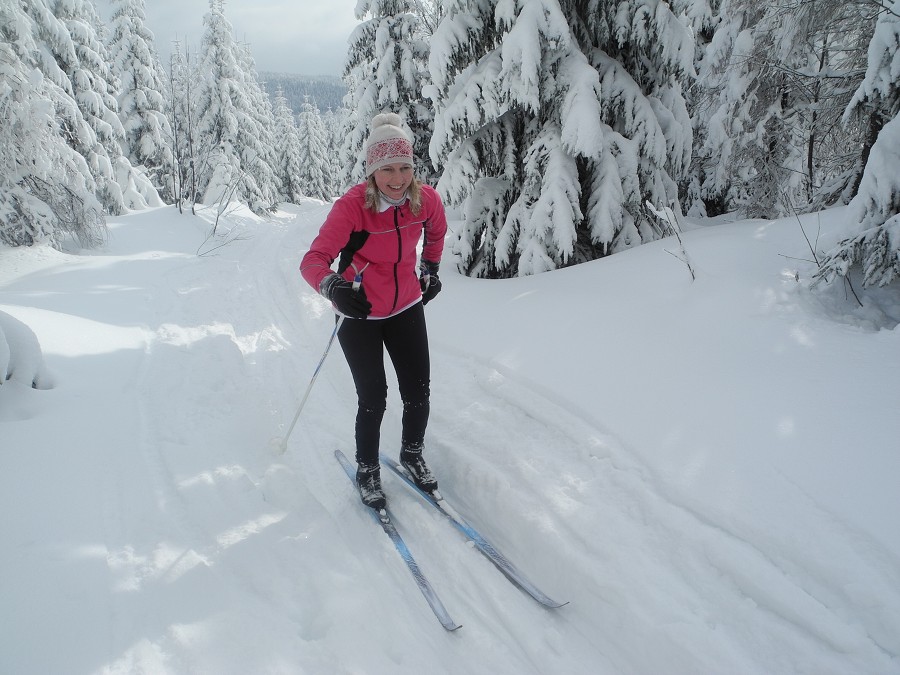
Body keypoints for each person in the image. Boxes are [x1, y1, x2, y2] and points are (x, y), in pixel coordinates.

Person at [300, 112, 448, 511]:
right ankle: (367, 468)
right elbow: (312, 260)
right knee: (374, 397)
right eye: (387, 170)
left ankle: (412, 453)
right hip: (359, 312)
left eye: (404, 168)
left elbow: (437, 230)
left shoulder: (426, 199)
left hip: (406, 307)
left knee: (418, 391)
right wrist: (333, 287)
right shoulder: (352, 208)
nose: (397, 179)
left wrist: (430, 268)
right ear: (372, 171)